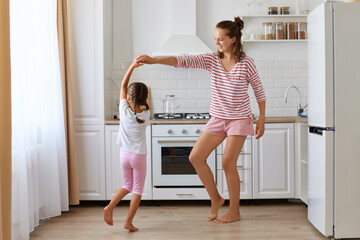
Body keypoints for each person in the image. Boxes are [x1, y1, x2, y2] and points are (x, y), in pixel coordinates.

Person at [136, 16, 266, 224]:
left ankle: (234, 211)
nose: (216, 43)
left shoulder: (246, 63)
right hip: (217, 118)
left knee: (227, 163)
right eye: (215, 38)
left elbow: (259, 91)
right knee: (195, 157)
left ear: (233, 39)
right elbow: (182, 61)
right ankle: (216, 198)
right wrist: (155, 60)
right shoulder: (211, 60)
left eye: (220, 39)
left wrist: (261, 120)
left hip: (239, 119)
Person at [103, 60, 150, 231]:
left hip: (124, 155)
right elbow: (142, 101)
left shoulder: (123, 108)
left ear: (129, 97)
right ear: (145, 98)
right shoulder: (145, 114)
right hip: (138, 156)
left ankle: (109, 207)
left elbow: (123, 85)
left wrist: (132, 66)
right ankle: (128, 222)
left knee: (126, 186)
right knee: (137, 190)